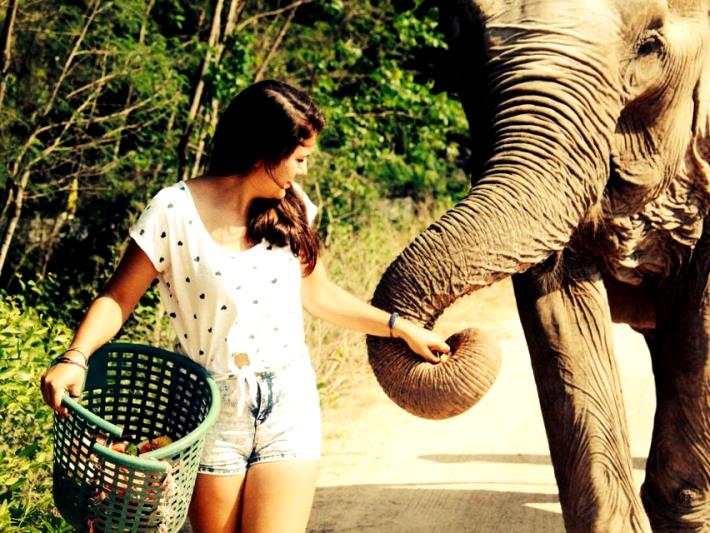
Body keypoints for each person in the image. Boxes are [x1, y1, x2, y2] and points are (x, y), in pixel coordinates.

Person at [40, 80, 450, 533]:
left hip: (288, 401)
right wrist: (75, 357)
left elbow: (319, 296)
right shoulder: (173, 210)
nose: (304, 171)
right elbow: (117, 298)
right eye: (298, 159)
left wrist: (400, 326)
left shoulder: (294, 210)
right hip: (213, 407)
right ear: (263, 154)